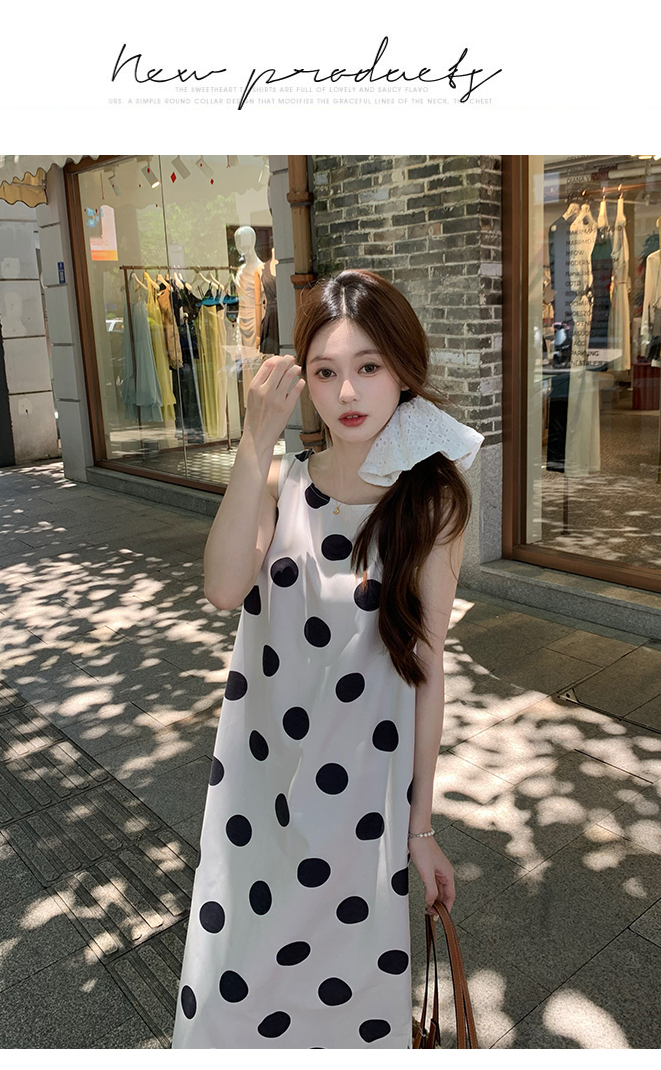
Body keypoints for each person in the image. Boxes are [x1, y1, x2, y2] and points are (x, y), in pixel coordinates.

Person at [171, 269, 484, 1049]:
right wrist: (254, 440)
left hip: (360, 809)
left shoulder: (432, 504)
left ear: (403, 370)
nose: (347, 391)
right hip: (258, 789)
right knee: (232, 994)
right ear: (302, 381)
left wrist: (420, 830)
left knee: (345, 1000)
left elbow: (427, 671)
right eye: (325, 371)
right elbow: (222, 588)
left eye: (368, 366)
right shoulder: (281, 483)